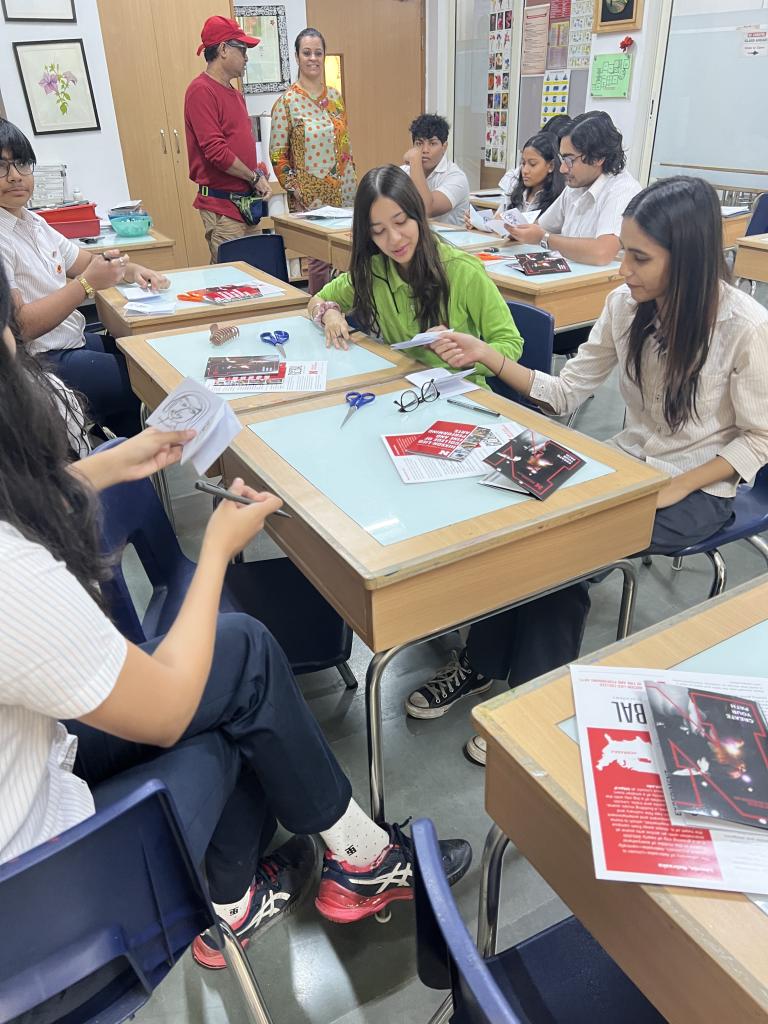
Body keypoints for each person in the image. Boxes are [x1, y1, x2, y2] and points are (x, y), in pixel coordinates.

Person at [0, 259, 472, 972]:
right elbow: (163, 712)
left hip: (35, 757)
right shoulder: (14, 579)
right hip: (44, 882)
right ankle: (269, 888)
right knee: (239, 716)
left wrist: (108, 464)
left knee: (244, 650)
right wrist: (217, 550)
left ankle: (342, 858)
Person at [404, 176, 768, 765]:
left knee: (570, 553)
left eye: (639, 256)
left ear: (691, 259)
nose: (623, 267)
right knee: (513, 514)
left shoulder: (745, 327)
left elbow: (760, 438)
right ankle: (482, 663)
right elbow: (567, 392)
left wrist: (677, 483)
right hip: (625, 464)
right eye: (623, 249)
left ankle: (533, 704)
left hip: (701, 485)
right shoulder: (626, 306)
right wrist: (487, 355)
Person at [0, 118, 162, 437]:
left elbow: (84, 260)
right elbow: (21, 326)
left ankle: (126, 454)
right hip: (42, 361)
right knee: (149, 381)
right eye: (2, 166)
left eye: (22, 163)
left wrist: (135, 270)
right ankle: (125, 451)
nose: (15, 176)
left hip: (70, 342)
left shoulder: (32, 221)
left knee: (142, 352)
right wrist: (86, 283)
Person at [307, 164, 522, 385]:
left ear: (417, 214)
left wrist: (472, 353)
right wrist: (329, 313)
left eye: (401, 222)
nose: (395, 239)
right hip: (403, 391)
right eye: (379, 231)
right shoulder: (375, 269)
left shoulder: (462, 270)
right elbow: (317, 299)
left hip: (462, 394)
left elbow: (511, 343)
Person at [270, 27, 356, 293]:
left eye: (318, 53)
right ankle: (319, 313)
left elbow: (344, 144)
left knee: (348, 258)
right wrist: (298, 190)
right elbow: (278, 156)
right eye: (307, 52)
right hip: (312, 199)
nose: (313, 58)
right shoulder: (287, 103)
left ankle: (347, 313)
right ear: (297, 56)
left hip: (345, 192)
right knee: (319, 263)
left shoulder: (335, 97)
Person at [185, 15, 272, 262]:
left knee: (254, 275)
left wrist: (257, 173)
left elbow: (237, 144)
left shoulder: (234, 93)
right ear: (223, 49)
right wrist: (254, 177)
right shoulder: (201, 90)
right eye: (242, 49)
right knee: (230, 280)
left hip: (245, 205)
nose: (246, 57)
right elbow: (216, 151)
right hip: (223, 207)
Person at [504, 110, 641, 266]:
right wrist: (519, 231)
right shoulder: (576, 185)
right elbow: (540, 226)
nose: (562, 168)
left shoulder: (622, 190)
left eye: (569, 160)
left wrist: (544, 238)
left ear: (598, 158)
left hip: (599, 286)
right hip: (566, 277)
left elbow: (601, 252)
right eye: (563, 159)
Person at [464, 132, 565, 232]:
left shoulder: (559, 200)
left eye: (532, 164)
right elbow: (497, 221)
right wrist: (478, 223)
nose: (525, 170)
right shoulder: (516, 191)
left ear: (551, 166)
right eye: (523, 163)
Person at [401, 114, 470, 226]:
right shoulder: (404, 172)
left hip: (450, 242)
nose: (425, 150)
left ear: (444, 147)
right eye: (419, 143)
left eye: (433, 143)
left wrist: (414, 160)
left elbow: (427, 209)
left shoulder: (456, 177)